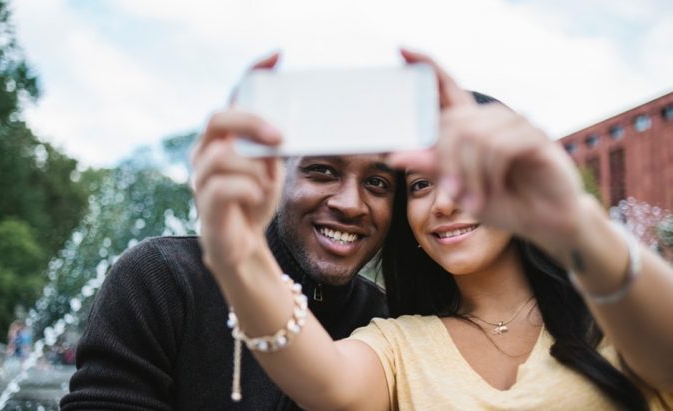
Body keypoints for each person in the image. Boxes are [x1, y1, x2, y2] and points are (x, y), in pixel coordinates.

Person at [196, 48, 673, 410]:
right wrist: (239, 258)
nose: (443, 202)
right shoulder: (397, 344)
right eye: (422, 184)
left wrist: (573, 223)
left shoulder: (620, 313)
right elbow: (326, 385)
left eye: (466, 176)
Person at [60, 54, 399, 410]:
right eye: (323, 171)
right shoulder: (162, 278)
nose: (351, 204)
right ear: (273, 173)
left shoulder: (389, 323)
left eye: (377, 183)